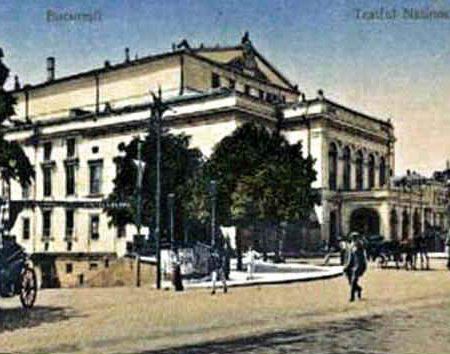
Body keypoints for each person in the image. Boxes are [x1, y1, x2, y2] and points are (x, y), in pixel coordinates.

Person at [343, 237, 367, 302]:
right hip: (352, 266)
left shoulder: (359, 247)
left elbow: (362, 260)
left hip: (359, 266)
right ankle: (358, 289)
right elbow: (350, 258)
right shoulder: (352, 247)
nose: (355, 241)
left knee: (353, 281)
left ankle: (352, 297)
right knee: (351, 282)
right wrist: (347, 266)